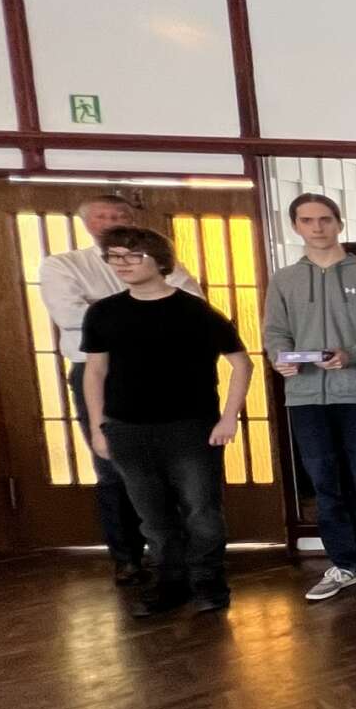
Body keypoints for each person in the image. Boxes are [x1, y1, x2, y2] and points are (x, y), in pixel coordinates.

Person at [80, 227, 250, 617]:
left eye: (132, 256)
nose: (122, 264)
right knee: (152, 516)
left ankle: (208, 582)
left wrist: (229, 418)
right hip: (126, 428)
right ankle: (168, 583)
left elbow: (242, 364)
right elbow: (95, 372)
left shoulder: (195, 311)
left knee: (201, 511)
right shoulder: (103, 313)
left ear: (159, 261)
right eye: (115, 256)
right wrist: (98, 427)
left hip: (190, 426)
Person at [39, 192, 202, 586]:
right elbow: (71, 315)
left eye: (121, 215)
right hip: (98, 372)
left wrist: (110, 310)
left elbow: (192, 307)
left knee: (172, 465)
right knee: (112, 464)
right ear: (86, 223)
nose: (113, 222)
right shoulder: (63, 265)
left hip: (161, 372)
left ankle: (178, 556)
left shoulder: (163, 262)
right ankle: (127, 556)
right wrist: (150, 309)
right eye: (103, 216)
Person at [264, 193, 356, 603]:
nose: (317, 228)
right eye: (307, 220)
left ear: (339, 223)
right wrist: (279, 357)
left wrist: (351, 354)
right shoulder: (285, 279)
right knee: (324, 485)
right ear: (295, 226)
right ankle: (343, 564)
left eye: (324, 219)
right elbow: (275, 332)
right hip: (305, 397)